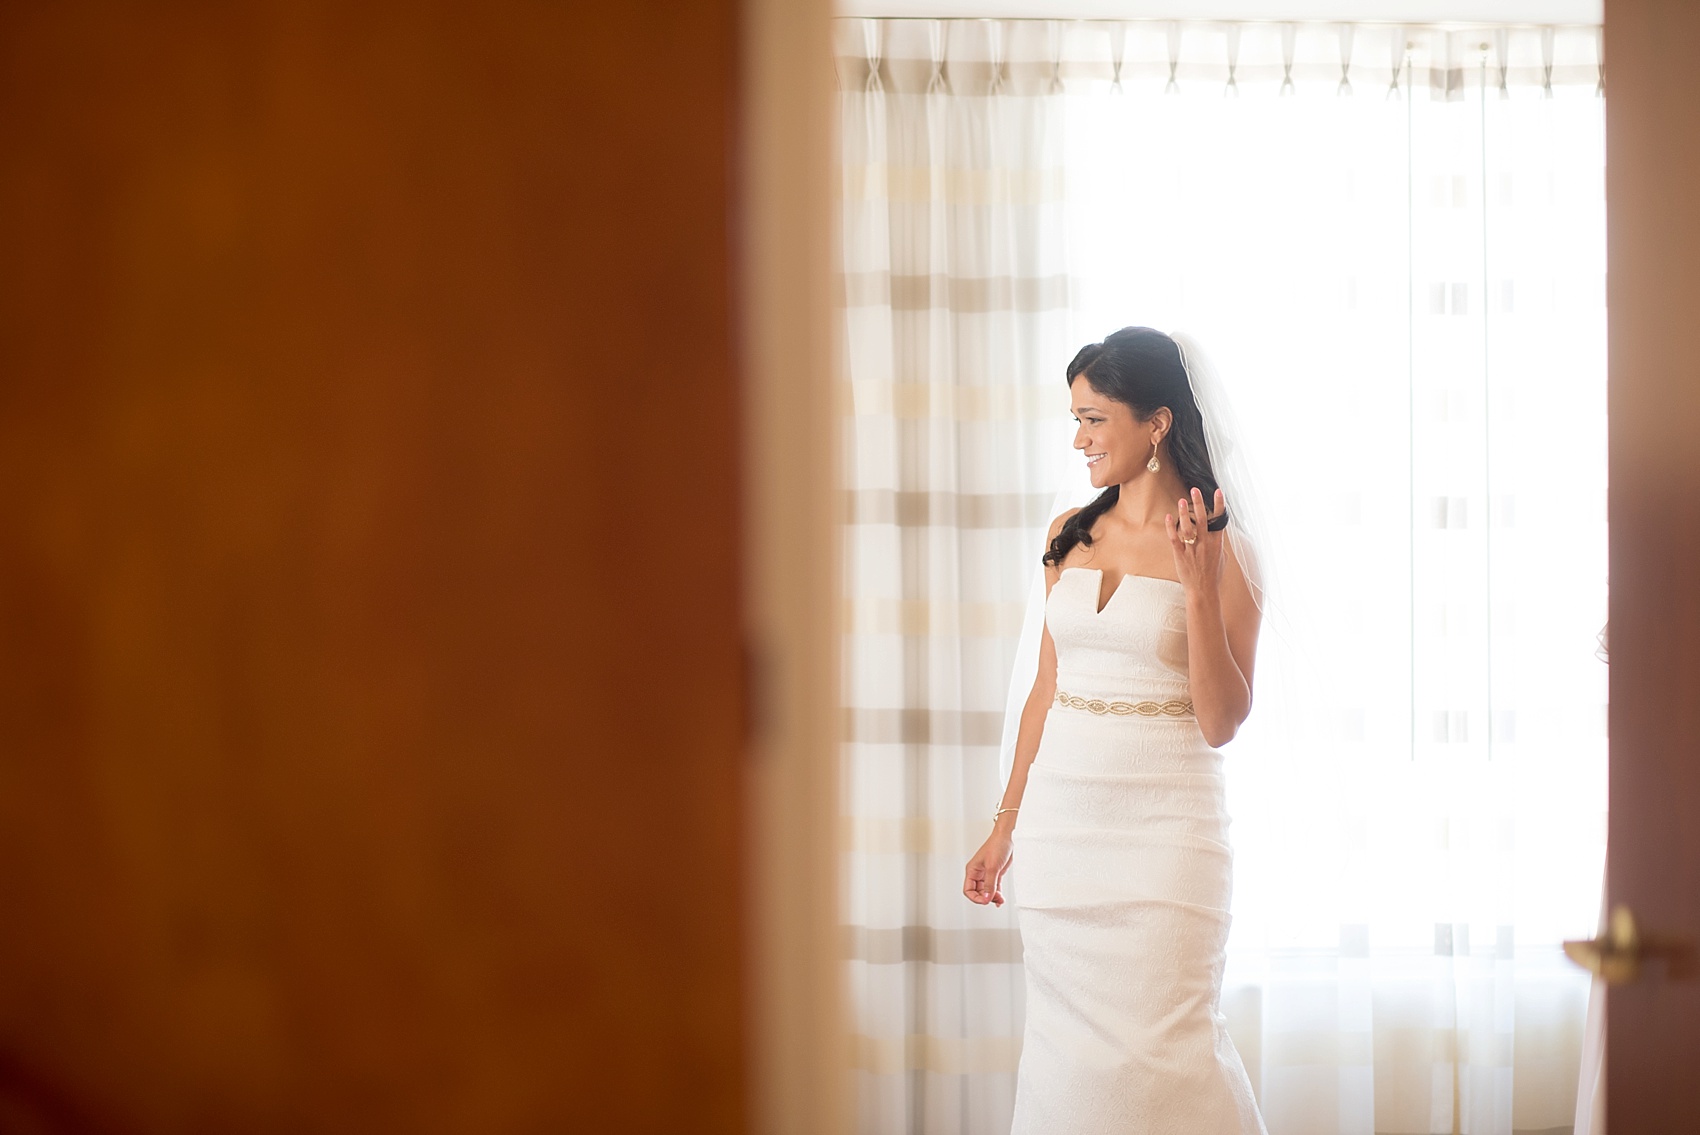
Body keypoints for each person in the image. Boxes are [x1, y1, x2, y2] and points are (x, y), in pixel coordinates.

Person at [963, 326, 1267, 1134]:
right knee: (1069, 1058)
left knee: (1167, 1047)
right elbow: (1044, 692)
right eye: (1075, 418)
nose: (1079, 438)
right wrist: (1005, 826)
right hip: (1065, 835)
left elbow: (1221, 720)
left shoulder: (1228, 549)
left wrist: (1199, 588)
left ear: (1156, 423)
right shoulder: (1069, 531)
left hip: (1168, 834)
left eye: (1095, 418)